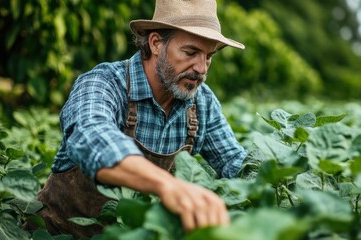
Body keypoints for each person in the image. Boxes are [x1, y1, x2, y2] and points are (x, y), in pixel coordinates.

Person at [34, 0, 246, 238]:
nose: (201, 68)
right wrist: (167, 186)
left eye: (208, 56)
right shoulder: (104, 82)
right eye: (191, 52)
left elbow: (235, 163)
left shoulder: (202, 102)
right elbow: (92, 135)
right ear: (156, 43)